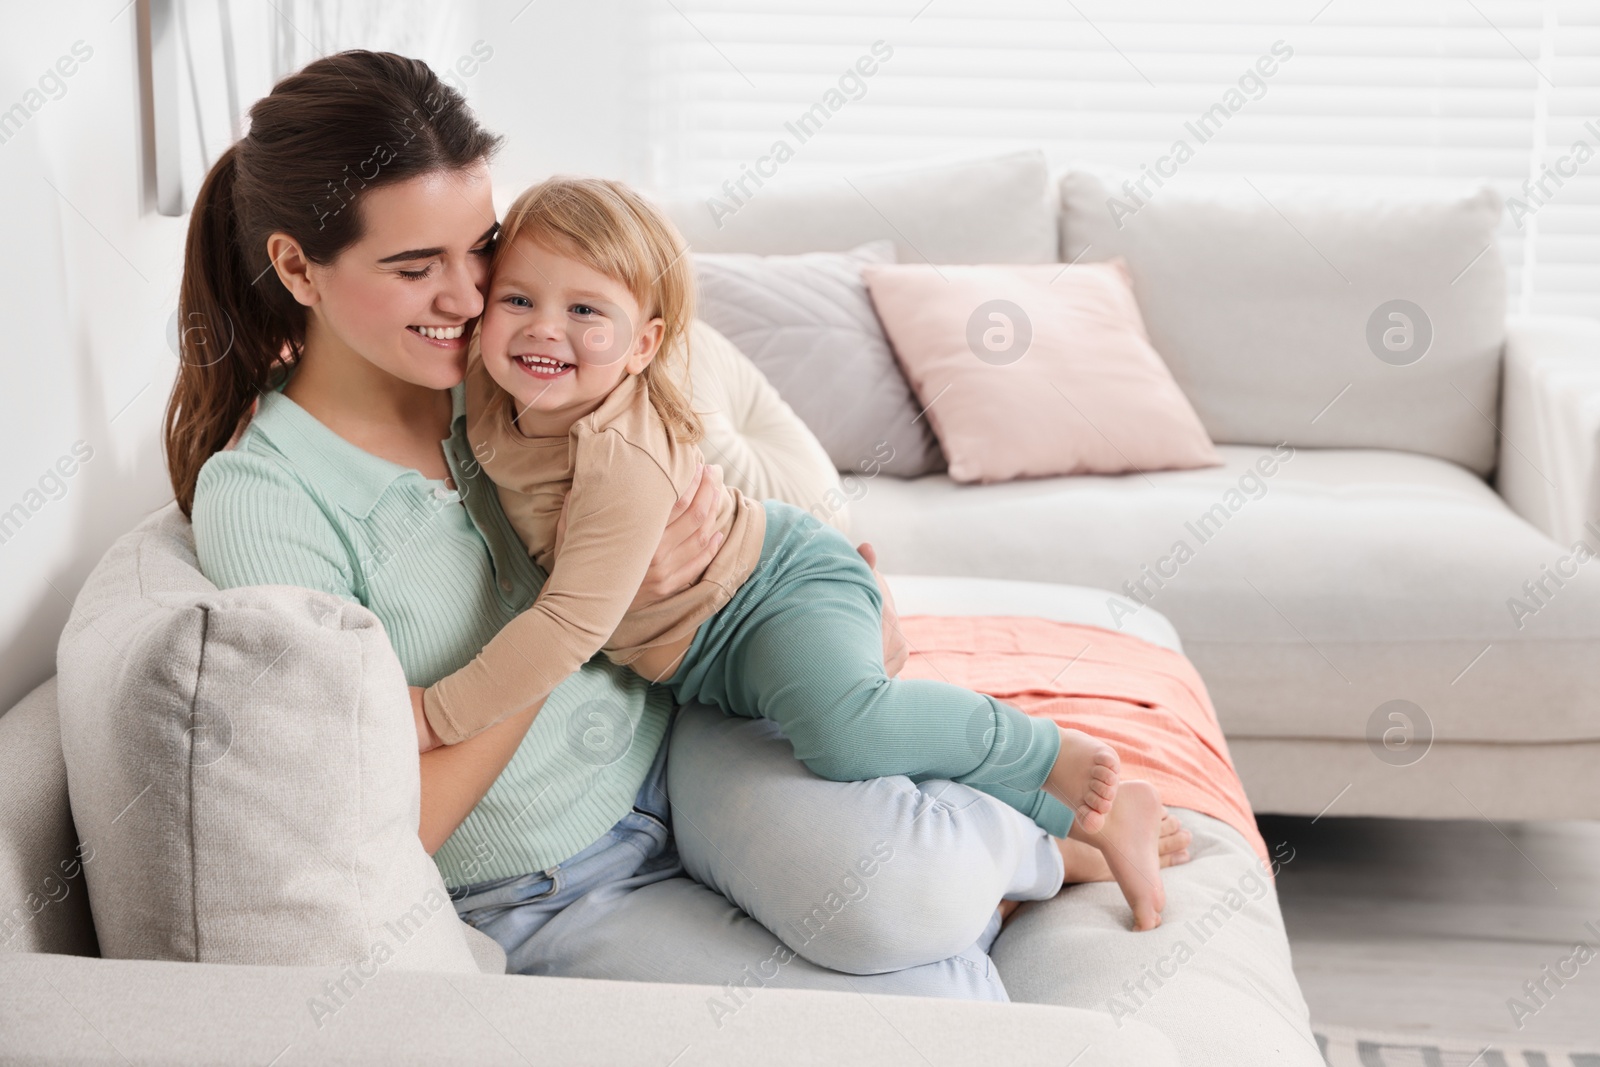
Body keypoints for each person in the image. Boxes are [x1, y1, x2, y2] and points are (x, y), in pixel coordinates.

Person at [168, 50, 1191, 993]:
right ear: (298, 270)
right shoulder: (265, 502)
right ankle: (1039, 855)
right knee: (927, 996)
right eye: (413, 267)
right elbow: (391, 827)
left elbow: (698, 520)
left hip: (681, 746)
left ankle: (1047, 839)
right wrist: (583, 615)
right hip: (541, 881)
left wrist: (815, 589)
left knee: (905, 891)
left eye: (478, 249)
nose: (471, 292)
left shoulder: (508, 375)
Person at [418, 176, 1169, 930]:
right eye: (519, 300)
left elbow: (569, 626)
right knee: (867, 751)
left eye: (585, 311)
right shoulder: (488, 385)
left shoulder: (621, 460)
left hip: (774, 591)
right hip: (708, 657)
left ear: (643, 343)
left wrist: (436, 715)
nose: (545, 329)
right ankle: (1079, 833)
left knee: (846, 733)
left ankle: (1048, 754)